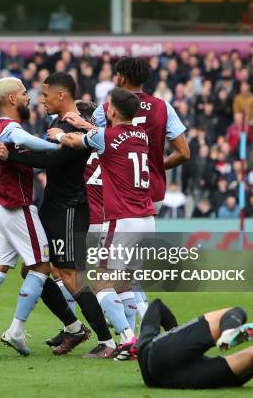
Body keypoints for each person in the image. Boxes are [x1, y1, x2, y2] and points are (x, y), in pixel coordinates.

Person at [0, 72, 116, 358]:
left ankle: (107, 341)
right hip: (52, 206)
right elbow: (49, 155)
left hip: (70, 208)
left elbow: (56, 159)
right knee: (32, 269)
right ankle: (73, 328)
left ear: (61, 95)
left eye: (46, 94)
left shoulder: (73, 125)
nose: (41, 100)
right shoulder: (57, 124)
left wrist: (12, 156)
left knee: (71, 275)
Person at [64, 57, 189, 321]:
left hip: (121, 195)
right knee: (131, 271)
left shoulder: (108, 107)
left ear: (120, 78)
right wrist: (155, 166)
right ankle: (136, 322)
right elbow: (184, 153)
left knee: (108, 272)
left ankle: (127, 325)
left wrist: (75, 127)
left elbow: (97, 140)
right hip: (151, 192)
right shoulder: (163, 107)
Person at [51, 88, 156, 359]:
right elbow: (99, 135)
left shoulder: (106, 137)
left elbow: (77, 141)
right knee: (125, 282)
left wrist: (60, 135)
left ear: (111, 112)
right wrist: (87, 126)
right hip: (148, 219)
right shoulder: (141, 135)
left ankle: (127, 338)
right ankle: (136, 338)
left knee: (101, 282)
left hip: (122, 220)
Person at [0, 77, 58, 359]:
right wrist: (59, 145)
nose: (28, 97)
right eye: (23, 93)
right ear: (10, 99)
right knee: (42, 266)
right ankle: (16, 330)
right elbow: (21, 139)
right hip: (16, 205)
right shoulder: (10, 127)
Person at [136, 299, 253, 388]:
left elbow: (156, 309)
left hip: (168, 379)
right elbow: (157, 305)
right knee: (236, 312)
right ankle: (229, 331)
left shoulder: (145, 346)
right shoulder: (146, 342)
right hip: (168, 362)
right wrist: (173, 334)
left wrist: (176, 340)